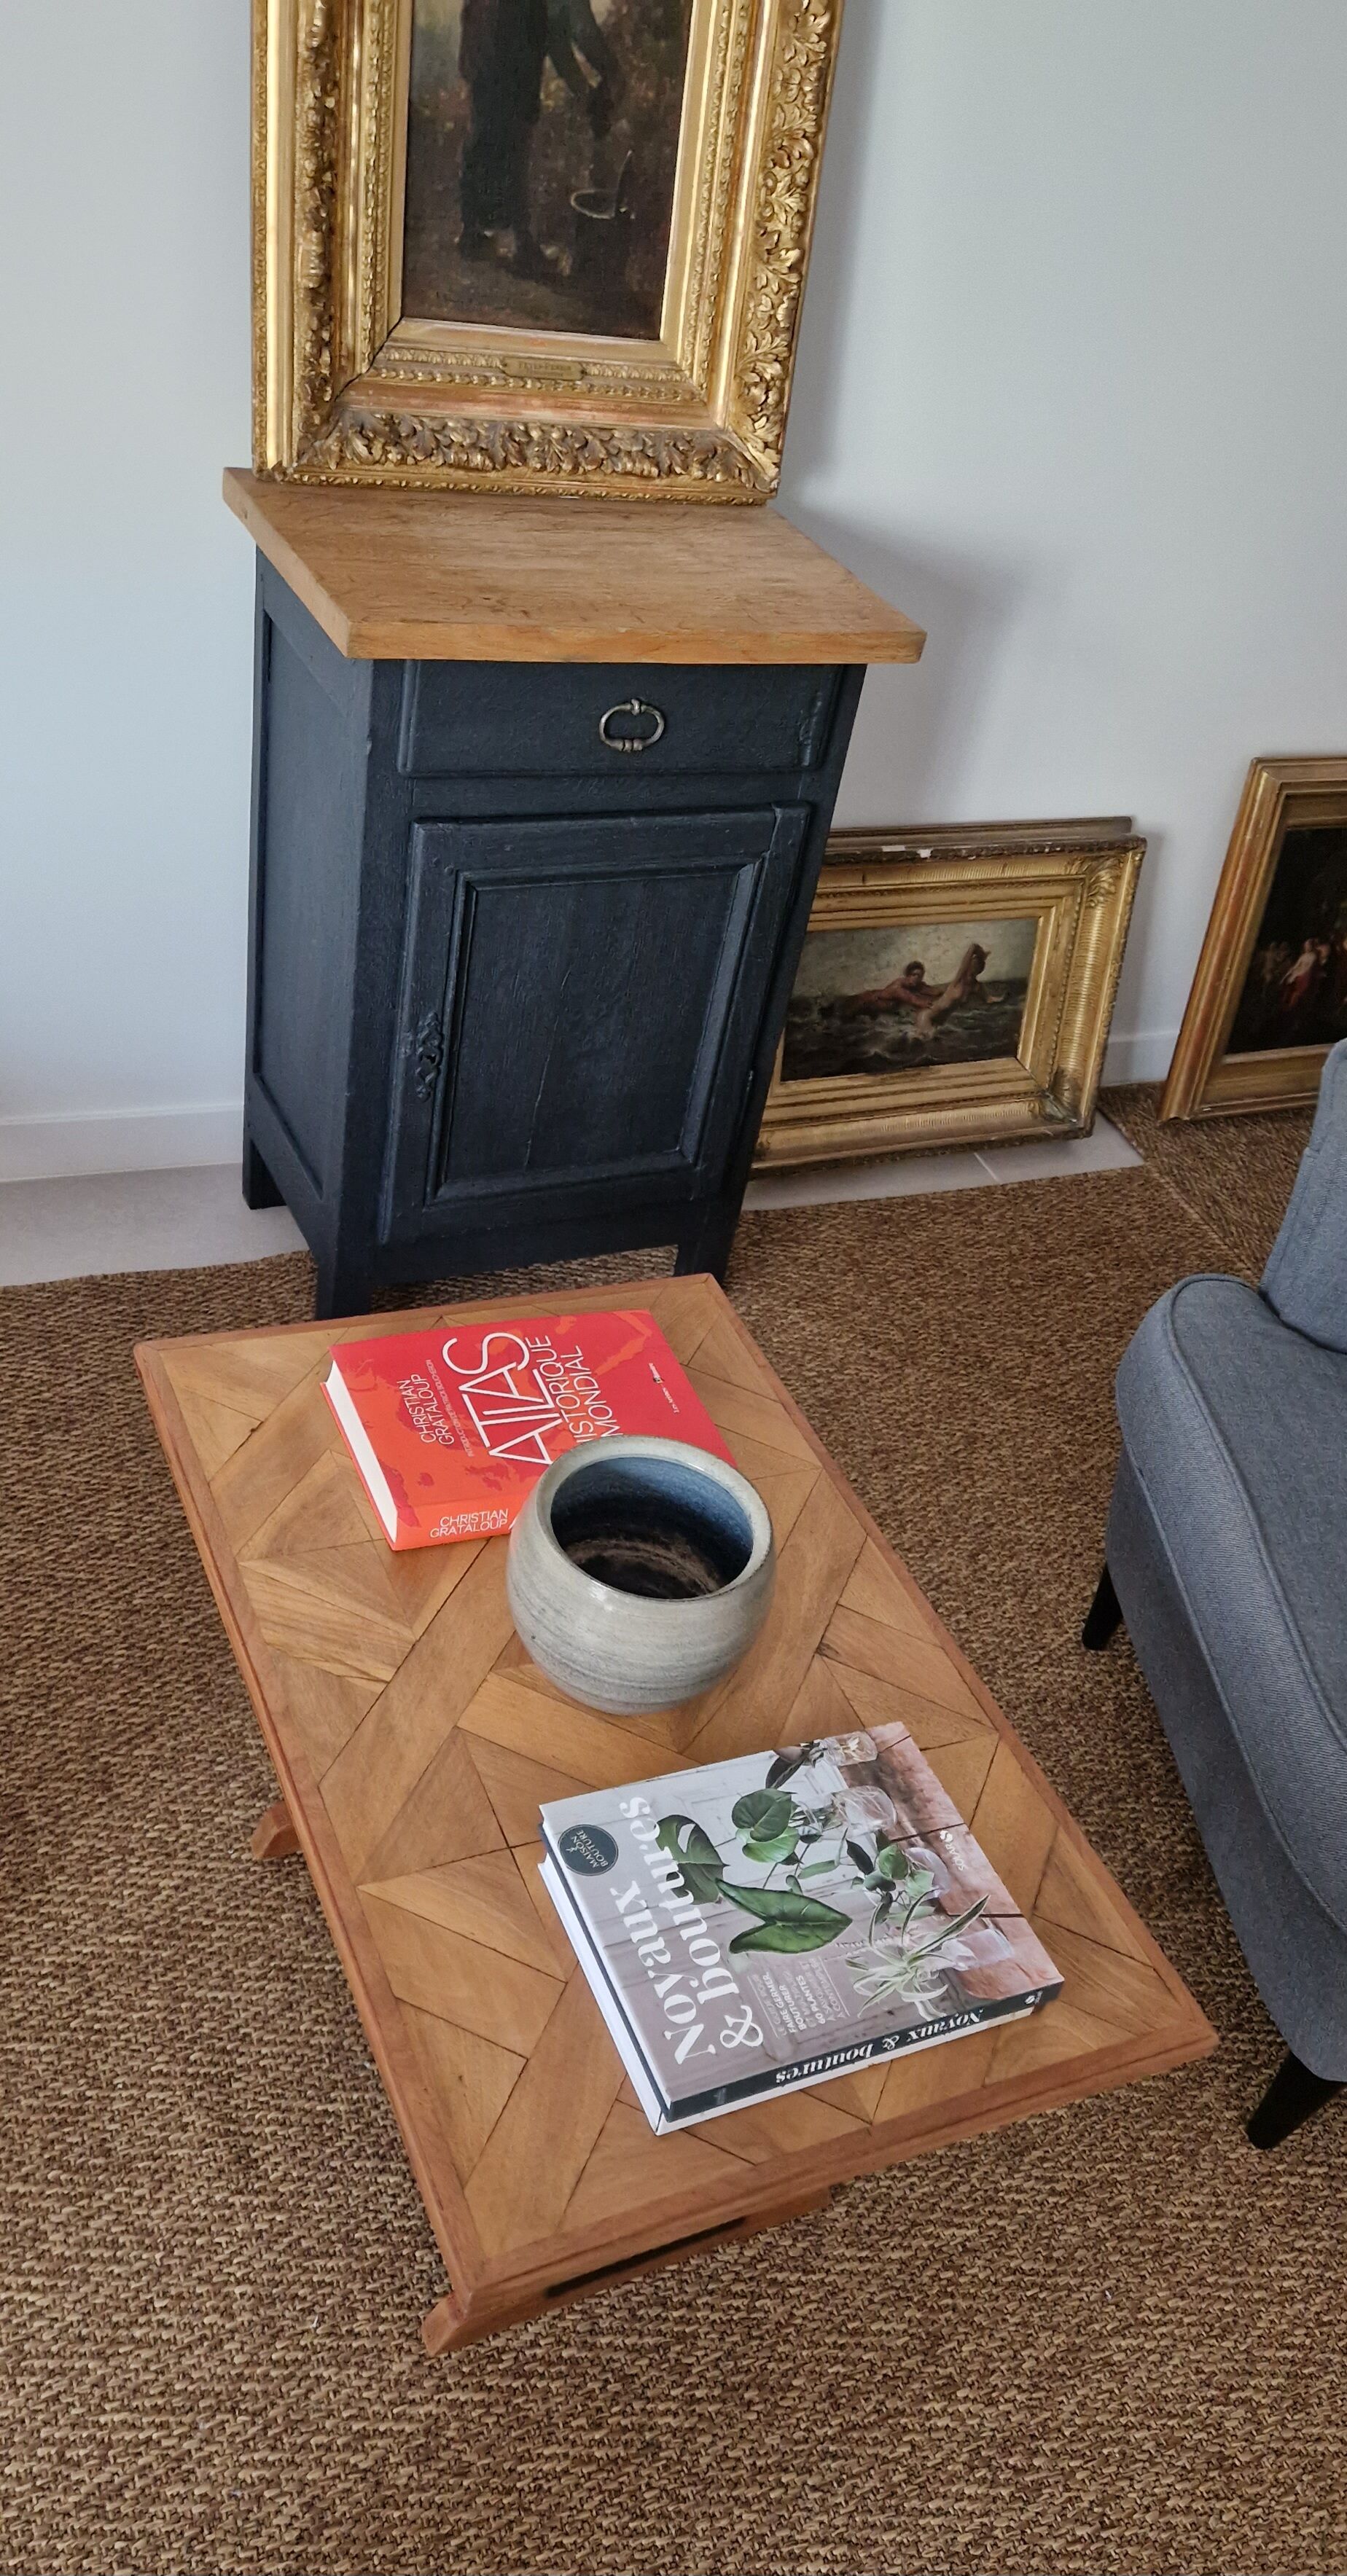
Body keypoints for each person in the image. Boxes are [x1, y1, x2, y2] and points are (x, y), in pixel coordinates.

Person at [458, 0, 620, 276]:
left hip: (489, 44)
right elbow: (574, 34)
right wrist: (610, 74)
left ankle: (475, 234)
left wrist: (586, 93)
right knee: (513, 144)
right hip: (508, 46)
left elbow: (558, 42)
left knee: (485, 135)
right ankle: (521, 245)